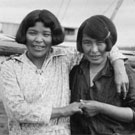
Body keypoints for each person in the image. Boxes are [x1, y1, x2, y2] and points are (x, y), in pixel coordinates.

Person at [0, 9, 128, 135]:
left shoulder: (64, 58)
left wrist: (119, 65)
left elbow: (98, 46)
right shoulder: (11, 67)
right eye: (33, 33)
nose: (39, 39)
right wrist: (64, 111)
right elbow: (16, 110)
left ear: (53, 36)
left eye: (46, 34)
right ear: (24, 34)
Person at [70, 15, 135, 135]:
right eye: (87, 43)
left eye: (100, 43)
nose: (94, 50)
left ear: (110, 43)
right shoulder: (75, 70)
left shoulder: (123, 71)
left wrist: (101, 107)